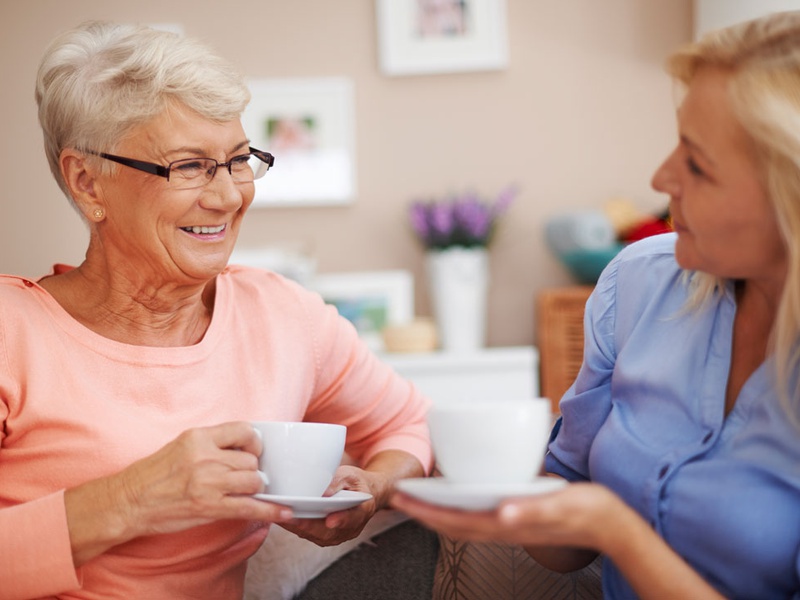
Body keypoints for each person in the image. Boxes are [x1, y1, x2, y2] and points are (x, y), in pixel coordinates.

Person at [0, 21, 432, 599]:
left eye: (237, 159)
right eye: (188, 166)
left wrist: (375, 487)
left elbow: (410, 424)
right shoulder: (12, 332)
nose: (229, 195)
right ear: (87, 182)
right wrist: (133, 498)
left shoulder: (281, 316)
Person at [393, 11, 800, 600]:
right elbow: (565, 545)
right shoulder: (639, 284)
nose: (661, 177)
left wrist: (619, 531)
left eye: (697, 163)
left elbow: (596, 525)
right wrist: (484, 476)